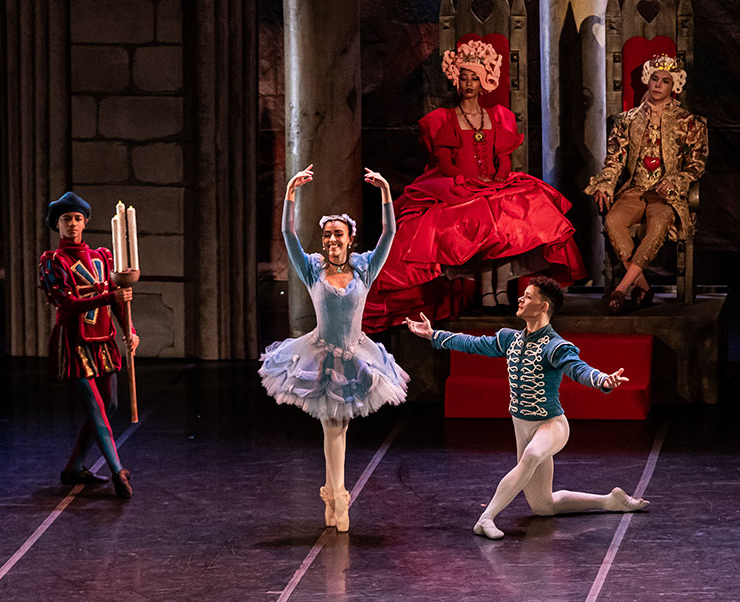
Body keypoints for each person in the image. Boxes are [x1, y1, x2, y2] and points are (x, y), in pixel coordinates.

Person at [363, 39, 586, 332]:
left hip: (492, 183)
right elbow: (445, 162)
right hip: (458, 184)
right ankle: (484, 291)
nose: (469, 83)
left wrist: (499, 178)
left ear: (484, 83)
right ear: (457, 81)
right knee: (480, 217)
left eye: (475, 78)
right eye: (464, 78)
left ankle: (502, 290)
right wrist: (468, 181)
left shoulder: (497, 117)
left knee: (515, 213)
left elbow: (504, 158)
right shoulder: (444, 119)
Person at [405, 276, 648, 539]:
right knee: (543, 506)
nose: (521, 299)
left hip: (551, 425)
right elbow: (473, 344)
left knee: (531, 456)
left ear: (544, 307)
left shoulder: (554, 346)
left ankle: (486, 518)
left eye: (528, 296)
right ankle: (609, 501)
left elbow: (578, 369)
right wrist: (434, 335)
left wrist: (603, 379)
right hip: (521, 426)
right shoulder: (511, 340)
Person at [259, 164, 409, 532]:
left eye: (337, 234)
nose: (331, 240)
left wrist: (386, 191)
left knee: (338, 425)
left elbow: (390, 232)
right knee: (332, 425)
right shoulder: (312, 270)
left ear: (349, 239)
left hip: (356, 355)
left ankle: (335, 494)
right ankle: (337, 497)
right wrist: (291, 193)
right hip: (322, 354)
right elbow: (287, 233)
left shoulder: (364, 270)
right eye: (326, 235)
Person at [585, 53, 708, 314]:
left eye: (664, 81)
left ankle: (621, 289)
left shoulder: (689, 122)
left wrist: (676, 180)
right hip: (634, 189)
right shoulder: (627, 120)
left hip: (665, 195)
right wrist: (605, 183)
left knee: (659, 224)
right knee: (612, 221)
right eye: (654, 78)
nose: (658, 85)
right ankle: (641, 286)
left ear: (673, 86)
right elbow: (614, 160)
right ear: (647, 80)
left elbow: (696, 164)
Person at [38, 191, 139, 499]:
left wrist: (129, 330)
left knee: (109, 404)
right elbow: (67, 304)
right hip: (74, 342)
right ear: (57, 225)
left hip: (103, 341)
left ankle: (75, 467)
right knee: (95, 406)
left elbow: (120, 301)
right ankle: (116, 468)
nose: (72, 224)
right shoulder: (52, 261)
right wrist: (110, 297)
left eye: (77, 218)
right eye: (66, 219)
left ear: (85, 223)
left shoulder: (102, 257)